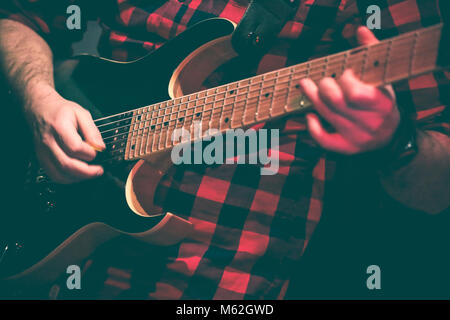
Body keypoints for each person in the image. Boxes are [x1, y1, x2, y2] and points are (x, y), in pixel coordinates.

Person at [0, 0, 448, 299]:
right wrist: (38, 96)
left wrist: (395, 142)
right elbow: (17, 14)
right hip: (56, 250)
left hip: (213, 279)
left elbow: (437, 191)